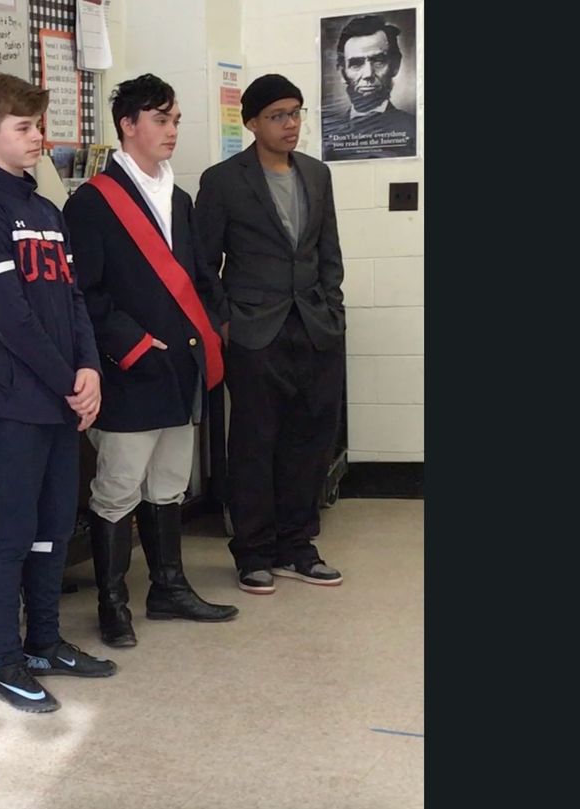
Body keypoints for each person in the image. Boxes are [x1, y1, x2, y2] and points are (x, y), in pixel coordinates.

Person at [0, 73, 116, 714]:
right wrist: (64, 382)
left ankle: (45, 643)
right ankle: (8, 664)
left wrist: (90, 370)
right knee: (12, 533)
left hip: (60, 399)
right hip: (14, 402)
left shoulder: (46, 211)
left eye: (37, 125)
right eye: (23, 128)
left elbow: (72, 301)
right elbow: (9, 319)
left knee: (54, 527)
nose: (36, 137)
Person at [64, 74, 239, 648]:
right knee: (118, 488)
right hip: (129, 369)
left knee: (168, 485)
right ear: (128, 125)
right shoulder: (91, 201)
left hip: (182, 367)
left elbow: (197, 279)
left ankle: (168, 587)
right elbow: (86, 293)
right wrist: (135, 345)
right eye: (161, 119)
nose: (172, 131)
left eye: (176, 120)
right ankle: (112, 602)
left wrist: (212, 329)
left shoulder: (180, 198)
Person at [195, 73, 346, 595]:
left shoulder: (317, 174)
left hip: (315, 329)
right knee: (256, 443)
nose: (291, 124)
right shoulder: (222, 181)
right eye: (279, 115)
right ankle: (254, 552)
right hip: (255, 333)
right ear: (253, 122)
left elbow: (329, 254)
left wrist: (334, 313)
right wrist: (227, 321)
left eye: (296, 112)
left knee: (310, 442)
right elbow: (202, 263)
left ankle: (298, 547)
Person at [322, 14, 416, 161]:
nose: (368, 74)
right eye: (356, 64)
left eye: (378, 61)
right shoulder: (327, 137)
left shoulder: (413, 128)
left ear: (395, 66)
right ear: (342, 72)